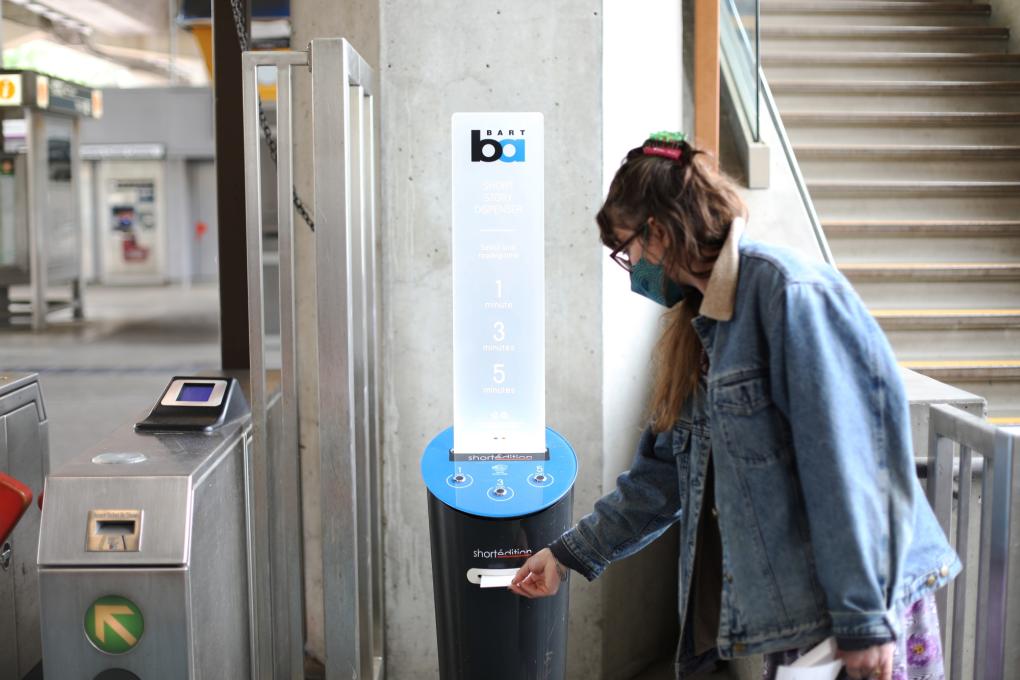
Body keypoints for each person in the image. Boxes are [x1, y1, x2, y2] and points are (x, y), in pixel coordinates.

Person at [509, 132, 960, 680]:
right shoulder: (698, 329)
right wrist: (566, 555)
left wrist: (863, 618)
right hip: (801, 616)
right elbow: (659, 481)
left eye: (626, 248)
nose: (629, 265)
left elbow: (847, 464)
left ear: (658, 231)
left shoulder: (787, 295)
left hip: (862, 606)